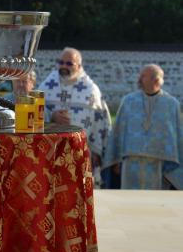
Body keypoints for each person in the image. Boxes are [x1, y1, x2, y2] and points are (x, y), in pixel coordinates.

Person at [104, 64, 183, 190]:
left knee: (155, 200)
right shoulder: (128, 101)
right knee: (129, 199)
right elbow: (118, 131)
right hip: (131, 161)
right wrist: (116, 159)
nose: (139, 79)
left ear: (156, 80)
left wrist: (173, 166)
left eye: (143, 76)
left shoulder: (171, 105)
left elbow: (177, 136)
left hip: (159, 163)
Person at [40, 48, 111, 185]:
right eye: (61, 62)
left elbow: (101, 122)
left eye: (69, 63)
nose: (64, 66)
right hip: (52, 151)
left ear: (79, 66)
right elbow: (36, 114)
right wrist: (52, 117)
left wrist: (96, 150)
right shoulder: (47, 86)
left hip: (80, 150)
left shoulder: (90, 90)